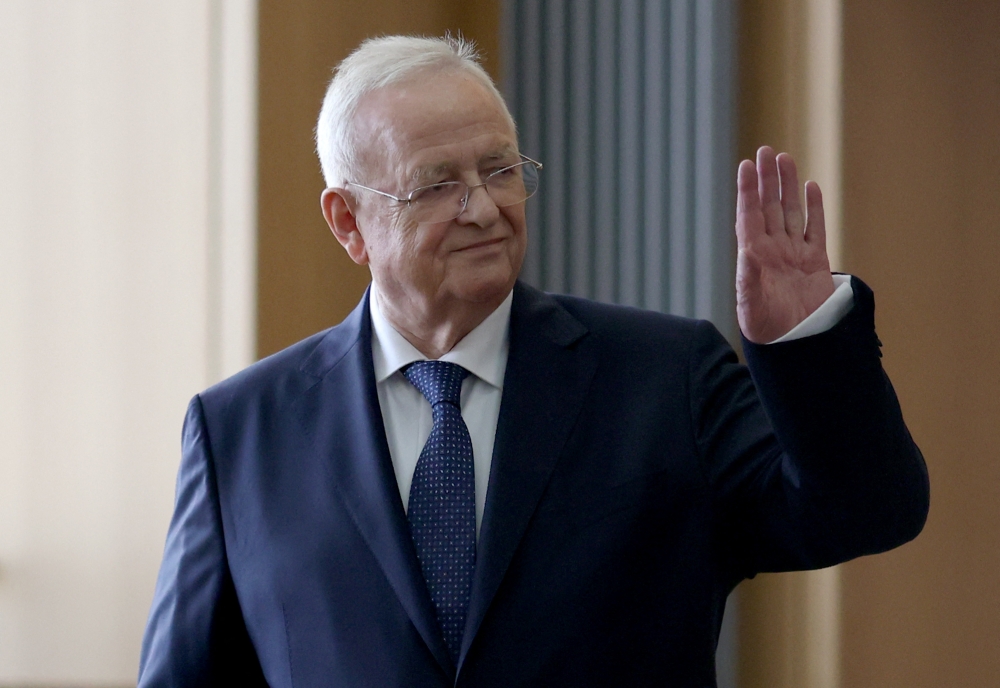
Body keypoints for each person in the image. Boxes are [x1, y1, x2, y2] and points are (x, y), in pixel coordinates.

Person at [138, 35, 928, 687]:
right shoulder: (240, 431)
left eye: (501, 170)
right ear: (350, 221)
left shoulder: (665, 378)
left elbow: (867, 512)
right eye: (437, 185)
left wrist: (807, 345)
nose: (483, 207)